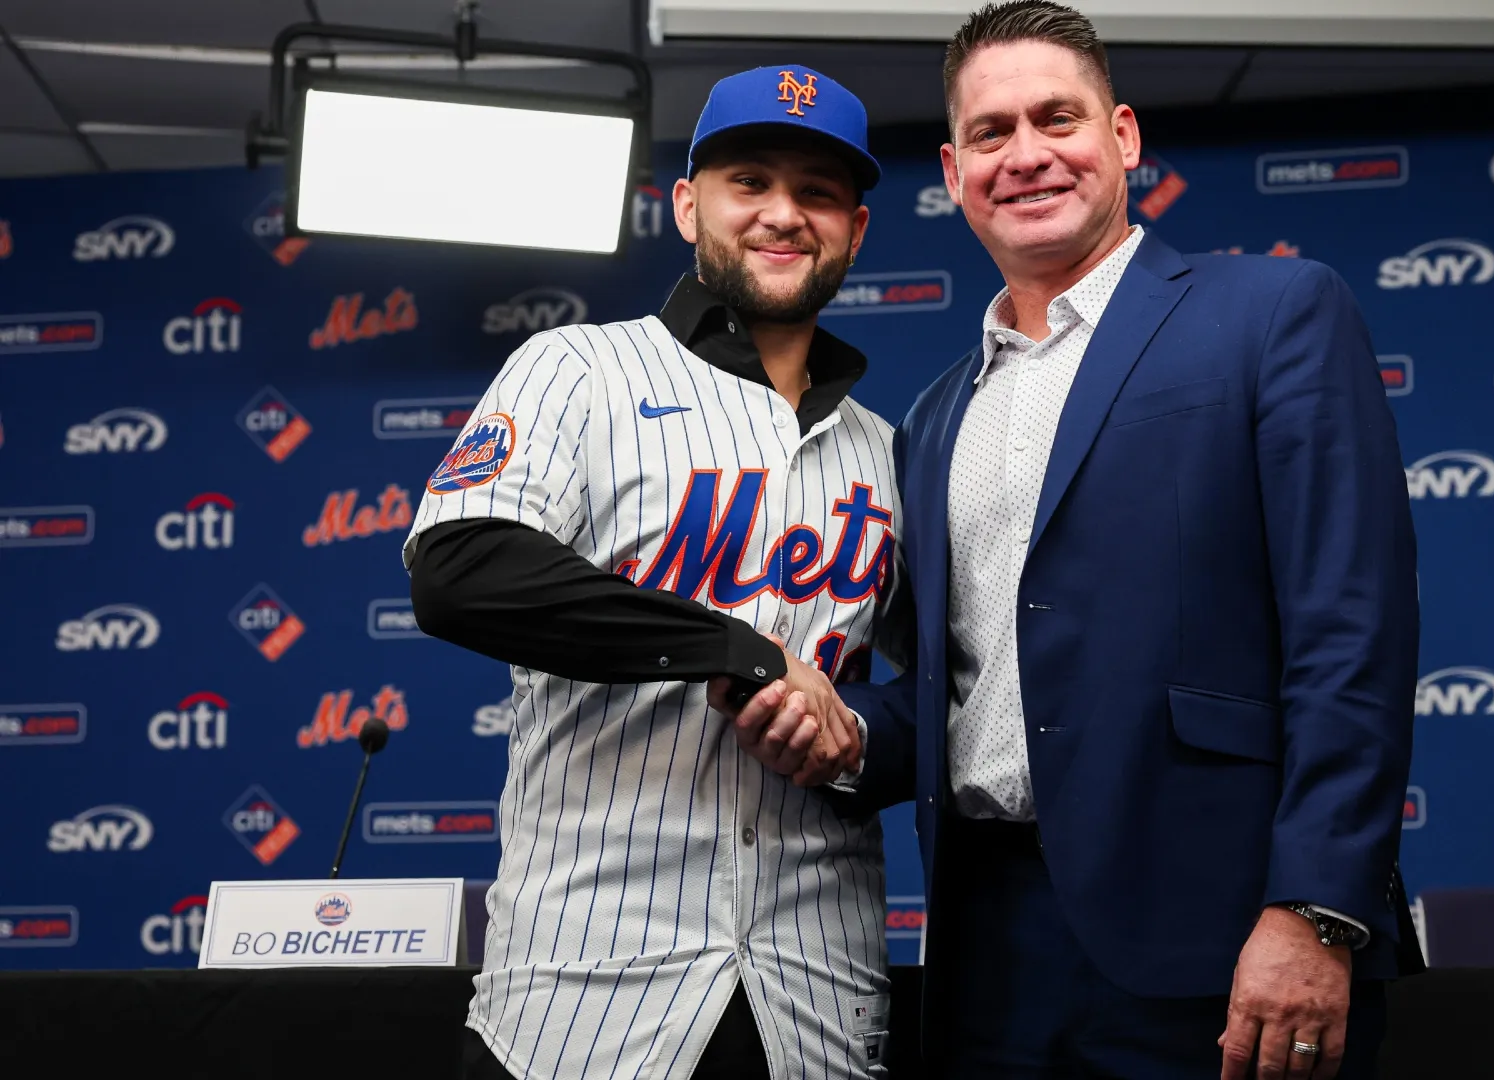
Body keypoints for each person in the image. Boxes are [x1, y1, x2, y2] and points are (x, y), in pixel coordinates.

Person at [724, 4, 1422, 1077]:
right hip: (985, 948)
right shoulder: (936, 415)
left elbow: (1352, 629)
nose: (1028, 154)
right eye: (993, 133)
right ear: (955, 174)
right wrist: (845, 730)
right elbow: (965, 688)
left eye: (1059, 118)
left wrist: (1316, 910)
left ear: (1125, 137)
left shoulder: (1275, 311)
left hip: (1225, 940)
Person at [405, 63, 898, 1080]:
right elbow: (460, 564)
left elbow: (952, 701)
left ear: (855, 227)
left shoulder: (888, 453)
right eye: (749, 181)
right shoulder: (579, 369)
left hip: (814, 998)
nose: (782, 214)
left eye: (816, 192)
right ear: (687, 206)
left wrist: (852, 741)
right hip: (583, 992)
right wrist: (737, 650)